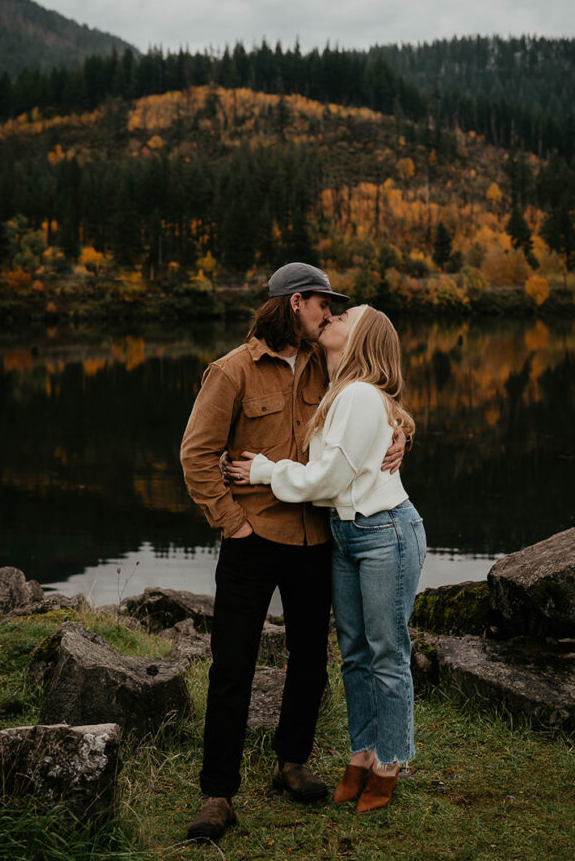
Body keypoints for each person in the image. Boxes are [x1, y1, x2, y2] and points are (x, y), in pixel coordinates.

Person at [179, 264, 404, 842]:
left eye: (333, 309)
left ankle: (291, 763)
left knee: (311, 660)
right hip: (251, 541)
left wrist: (404, 429)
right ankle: (217, 793)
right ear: (295, 302)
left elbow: (379, 399)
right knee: (233, 666)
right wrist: (232, 524)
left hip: (316, 540)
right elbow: (196, 456)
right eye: (322, 305)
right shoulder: (230, 372)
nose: (329, 315)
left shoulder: (327, 368)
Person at [227, 303, 425, 814]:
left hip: (384, 532)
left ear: (360, 337)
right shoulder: (339, 388)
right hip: (345, 533)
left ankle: (390, 761)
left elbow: (327, 480)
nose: (332, 317)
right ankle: (360, 754)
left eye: (345, 316)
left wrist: (264, 472)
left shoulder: (358, 394)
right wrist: (395, 429)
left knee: (386, 652)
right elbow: (328, 482)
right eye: (330, 312)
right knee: (355, 653)